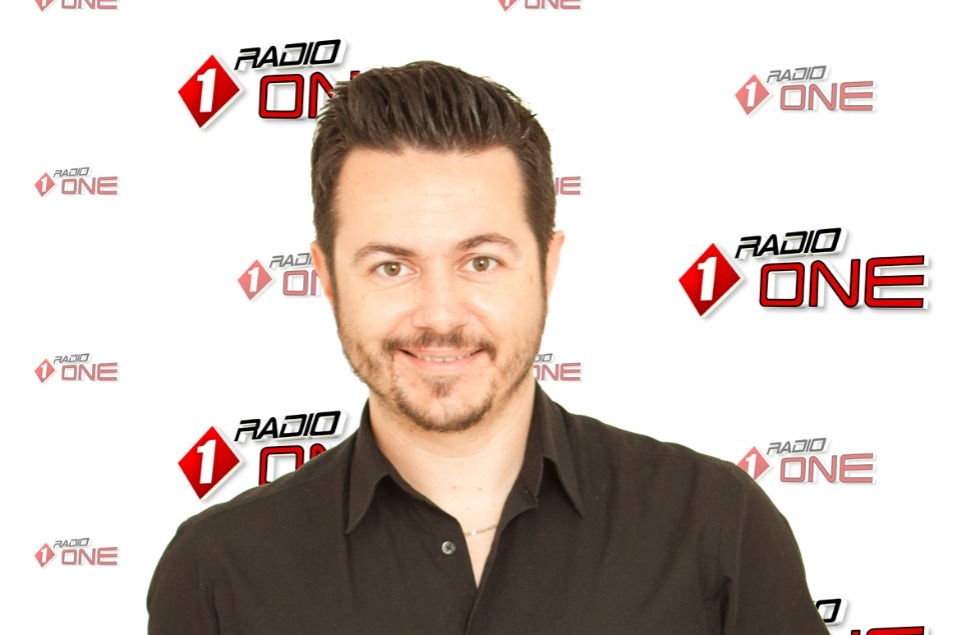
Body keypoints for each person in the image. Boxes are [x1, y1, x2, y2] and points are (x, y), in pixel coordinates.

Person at [148, 61, 828, 634]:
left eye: (481, 262)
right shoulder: (219, 571)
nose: (440, 314)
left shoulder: (716, 525)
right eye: (392, 266)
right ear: (327, 279)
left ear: (547, 267)